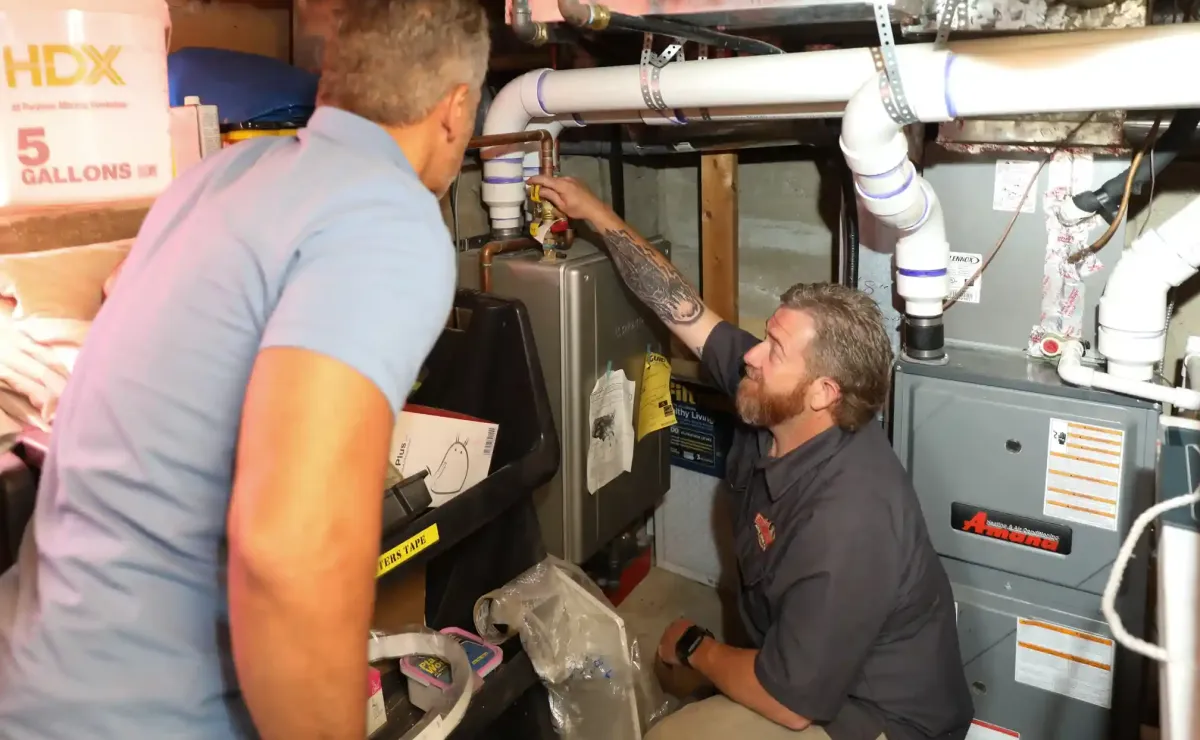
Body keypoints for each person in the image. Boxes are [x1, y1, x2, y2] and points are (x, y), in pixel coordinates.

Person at [0, 1, 488, 737]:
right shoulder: (391, 216)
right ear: (455, 110)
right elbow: (293, 554)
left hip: (32, 670)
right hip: (146, 717)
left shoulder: (219, 177)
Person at [528, 175, 974, 740]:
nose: (752, 355)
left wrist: (700, 648)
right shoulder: (777, 398)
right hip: (805, 663)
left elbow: (791, 703)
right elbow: (680, 307)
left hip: (878, 719)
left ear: (823, 393)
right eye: (766, 336)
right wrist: (594, 212)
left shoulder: (850, 518)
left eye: (775, 349)